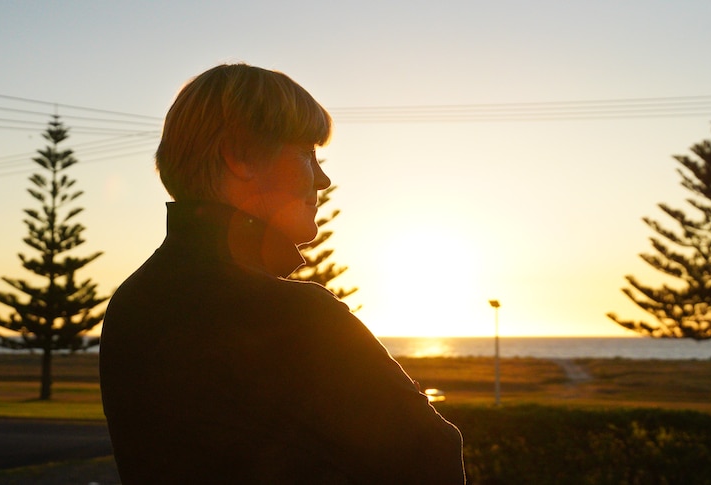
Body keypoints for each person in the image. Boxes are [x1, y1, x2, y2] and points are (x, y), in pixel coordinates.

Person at [99, 63, 465, 484]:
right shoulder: (294, 313)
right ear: (240, 155)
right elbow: (430, 453)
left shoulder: (133, 303)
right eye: (308, 154)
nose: (323, 179)